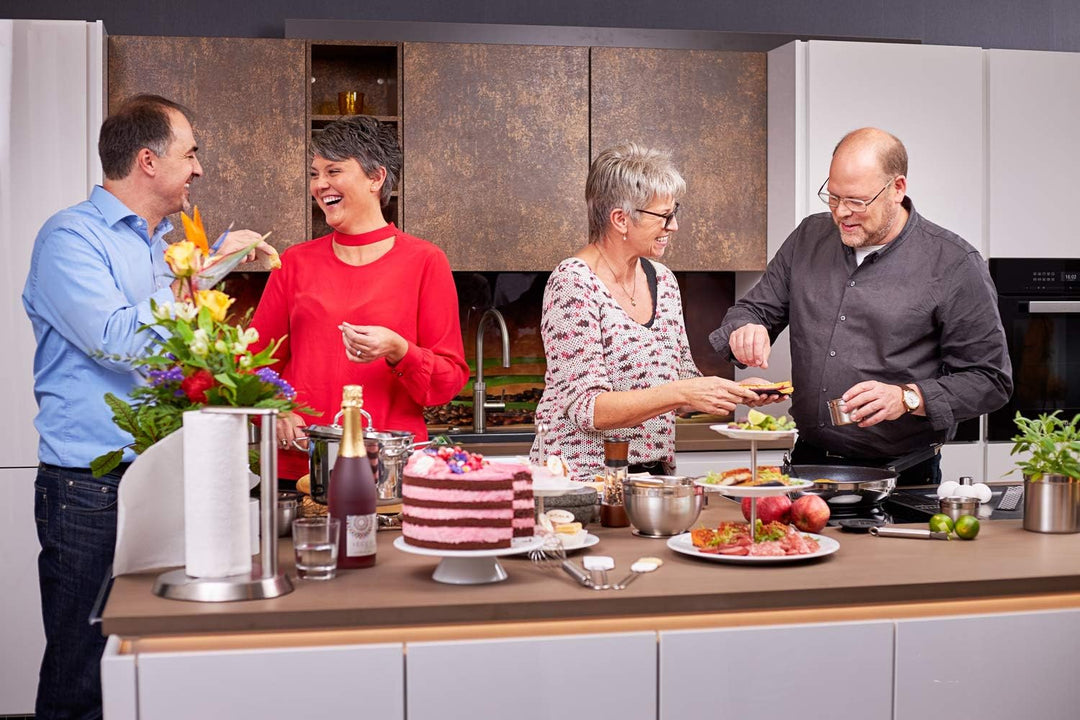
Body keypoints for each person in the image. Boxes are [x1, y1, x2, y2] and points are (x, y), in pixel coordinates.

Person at [22, 94, 275, 718]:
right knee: (82, 669)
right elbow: (117, 340)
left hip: (158, 476)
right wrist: (205, 272)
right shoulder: (69, 237)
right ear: (147, 160)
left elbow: (178, 350)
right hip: (88, 488)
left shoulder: (160, 244)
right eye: (189, 154)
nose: (198, 169)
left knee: (150, 657)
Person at [710, 127, 1013, 484]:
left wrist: (908, 398)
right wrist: (747, 328)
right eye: (833, 197)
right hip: (808, 465)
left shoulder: (954, 264)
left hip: (902, 474)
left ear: (897, 188)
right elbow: (753, 310)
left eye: (857, 201)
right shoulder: (809, 237)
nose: (842, 213)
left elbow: (991, 380)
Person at [250, 115, 469, 480]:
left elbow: (446, 382)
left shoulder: (426, 261)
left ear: (375, 178)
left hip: (388, 470)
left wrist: (401, 350)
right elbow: (252, 364)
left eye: (333, 171)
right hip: (300, 466)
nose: (320, 185)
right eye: (314, 174)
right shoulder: (293, 263)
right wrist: (272, 409)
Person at [530, 143, 760, 479]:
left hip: (652, 479)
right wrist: (681, 392)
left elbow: (679, 381)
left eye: (674, 212)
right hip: (583, 484)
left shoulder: (662, 280)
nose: (674, 226)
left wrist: (733, 392)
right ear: (621, 219)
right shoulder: (573, 283)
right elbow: (588, 409)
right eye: (664, 216)